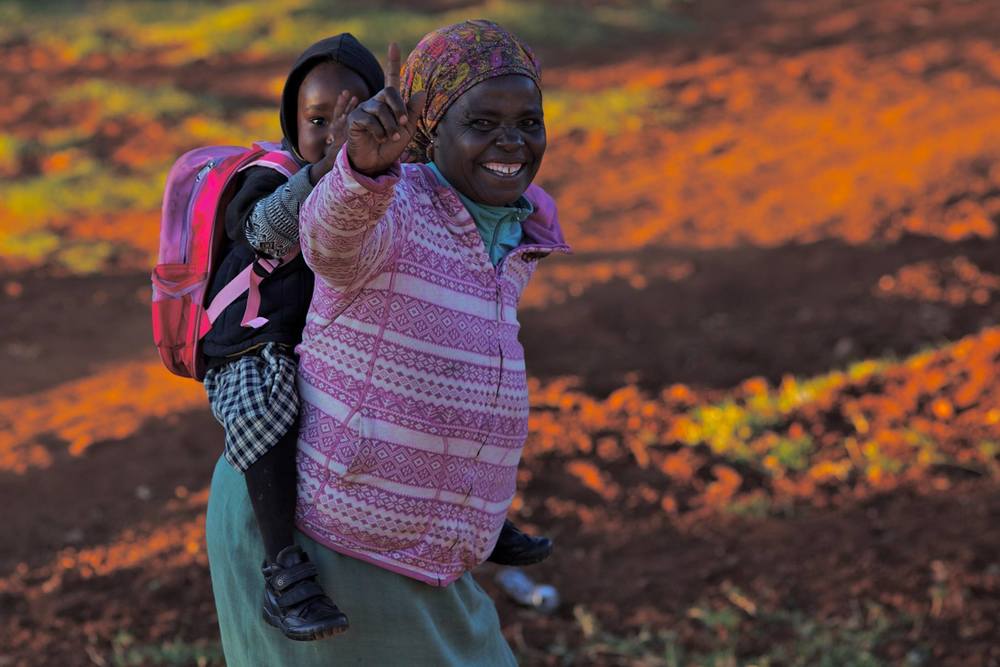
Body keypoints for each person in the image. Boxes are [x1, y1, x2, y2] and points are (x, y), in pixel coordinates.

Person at [206, 20, 568, 665]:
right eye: (482, 123)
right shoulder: (389, 203)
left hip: (414, 543)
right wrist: (361, 169)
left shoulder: (512, 228)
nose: (511, 140)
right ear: (430, 127)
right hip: (326, 540)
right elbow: (331, 239)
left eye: (528, 121)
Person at [201, 33, 383, 641]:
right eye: (317, 120)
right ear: (291, 123)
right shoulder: (271, 174)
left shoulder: (390, 178)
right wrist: (324, 173)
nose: (335, 131)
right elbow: (262, 232)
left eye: (354, 116)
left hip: (326, 327)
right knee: (268, 402)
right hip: (252, 334)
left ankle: (482, 516)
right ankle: (283, 569)